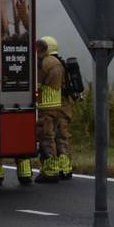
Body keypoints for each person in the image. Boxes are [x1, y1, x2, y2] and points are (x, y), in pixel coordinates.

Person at [34, 36, 71, 184]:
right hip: (60, 106)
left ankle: (50, 171)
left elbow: (37, 84)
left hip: (46, 107)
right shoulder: (60, 63)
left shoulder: (44, 63)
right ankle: (65, 168)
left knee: (46, 137)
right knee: (62, 136)